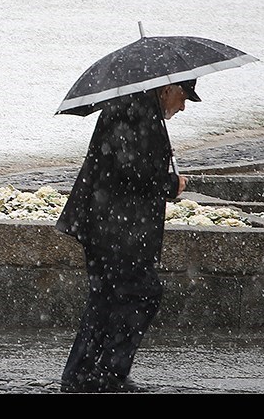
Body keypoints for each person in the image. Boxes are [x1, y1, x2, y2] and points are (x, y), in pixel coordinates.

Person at [56, 80, 201, 393]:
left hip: (108, 223)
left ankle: (83, 374)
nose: (183, 106)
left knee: (107, 297)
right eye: (183, 96)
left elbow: (129, 166)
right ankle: (107, 373)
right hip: (115, 227)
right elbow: (130, 169)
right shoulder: (135, 112)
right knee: (140, 292)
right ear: (168, 88)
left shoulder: (138, 109)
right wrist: (170, 184)